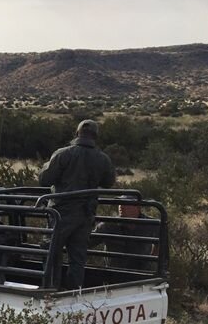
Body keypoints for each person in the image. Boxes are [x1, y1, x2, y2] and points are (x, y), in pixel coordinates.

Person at [39, 119, 116, 289]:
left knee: (50, 251)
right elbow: (109, 182)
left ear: (77, 133)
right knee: (78, 257)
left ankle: (50, 290)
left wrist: (46, 166)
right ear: (96, 136)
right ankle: (74, 293)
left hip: (61, 213)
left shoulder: (63, 154)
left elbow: (45, 179)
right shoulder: (103, 159)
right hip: (86, 215)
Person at [92, 201, 159, 272]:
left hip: (141, 275)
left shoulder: (151, 224)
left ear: (137, 208)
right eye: (120, 203)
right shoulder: (108, 226)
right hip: (114, 275)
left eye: (126, 203)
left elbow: (161, 244)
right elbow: (86, 243)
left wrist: (151, 261)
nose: (121, 206)